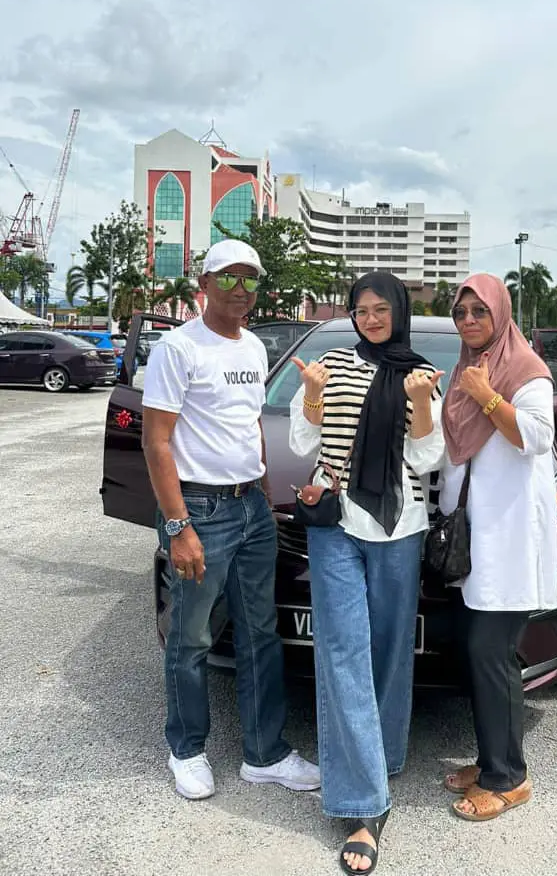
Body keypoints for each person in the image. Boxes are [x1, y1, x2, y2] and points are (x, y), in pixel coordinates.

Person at [141, 238, 319, 800]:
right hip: (201, 509)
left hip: (251, 509)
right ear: (207, 283)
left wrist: (264, 494)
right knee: (192, 636)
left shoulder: (254, 349)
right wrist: (178, 527)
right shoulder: (178, 348)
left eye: (251, 280)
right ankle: (186, 748)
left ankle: (263, 754)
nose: (242, 290)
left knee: (261, 634)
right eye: (231, 278)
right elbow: (156, 441)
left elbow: (248, 428)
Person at [289, 272, 445, 874]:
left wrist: (423, 405)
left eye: (381, 309)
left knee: (389, 655)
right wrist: (310, 393)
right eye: (361, 309)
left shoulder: (420, 371)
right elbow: (306, 441)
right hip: (334, 523)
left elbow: (429, 459)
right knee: (343, 653)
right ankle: (363, 807)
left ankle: (384, 757)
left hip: (399, 528)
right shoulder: (332, 362)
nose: (371, 319)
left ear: (398, 312)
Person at [439, 273, 557, 822]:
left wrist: (486, 396)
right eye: (461, 313)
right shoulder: (465, 369)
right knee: (480, 654)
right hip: (476, 539)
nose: (468, 321)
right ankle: (491, 761)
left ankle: (510, 779)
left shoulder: (524, 371)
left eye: (478, 313)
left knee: (493, 655)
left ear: (500, 315)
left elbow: (535, 437)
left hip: (509, 538)